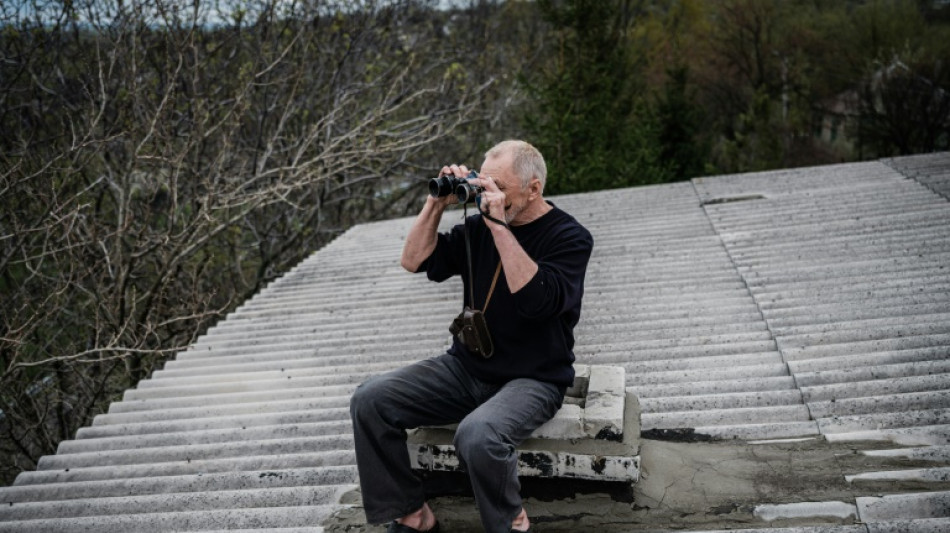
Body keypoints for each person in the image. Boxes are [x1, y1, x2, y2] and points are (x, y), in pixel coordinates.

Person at [349, 140, 593, 533]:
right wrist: (436, 204)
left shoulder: (569, 237)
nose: (488, 194)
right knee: (370, 400)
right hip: (466, 368)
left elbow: (535, 301)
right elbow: (413, 260)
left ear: (533, 189)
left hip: (535, 378)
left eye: (500, 186)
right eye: (484, 184)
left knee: (478, 435)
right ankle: (414, 515)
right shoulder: (478, 227)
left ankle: (510, 523)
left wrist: (498, 225)